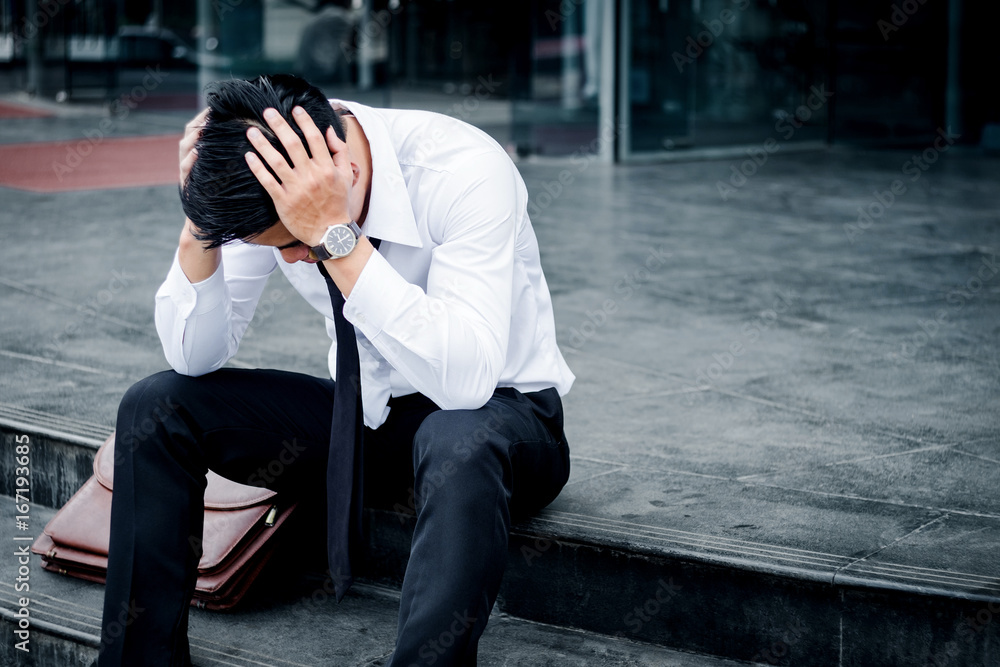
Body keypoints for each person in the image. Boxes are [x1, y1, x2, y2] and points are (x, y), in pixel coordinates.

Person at [97, 73, 574, 666]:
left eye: (296, 240)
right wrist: (203, 221)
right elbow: (194, 354)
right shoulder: (269, 182)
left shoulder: (463, 170)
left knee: (456, 438)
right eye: (280, 245)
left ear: (339, 166)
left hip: (502, 423)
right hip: (367, 421)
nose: (297, 257)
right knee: (157, 405)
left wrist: (336, 238)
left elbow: (464, 382)